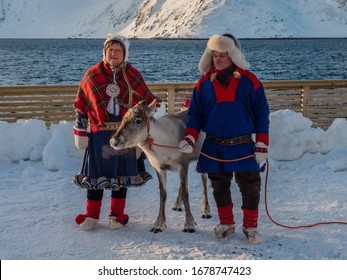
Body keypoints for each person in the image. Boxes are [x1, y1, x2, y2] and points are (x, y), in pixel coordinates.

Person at [178, 33, 270, 243]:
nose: (217, 59)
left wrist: (262, 143)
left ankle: (251, 227)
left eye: (222, 55)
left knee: (250, 186)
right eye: (214, 55)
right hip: (214, 145)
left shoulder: (250, 81)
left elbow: (261, 113)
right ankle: (227, 223)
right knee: (219, 186)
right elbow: (195, 115)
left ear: (233, 55)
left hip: (243, 144)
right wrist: (190, 137)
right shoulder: (203, 84)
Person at [72, 33, 159, 231]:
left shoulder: (133, 75)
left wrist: (142, 139)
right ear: (105, 52)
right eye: (110, 50)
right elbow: (81, 105)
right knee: (95, 177)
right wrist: (80, 131)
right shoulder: (92, 75)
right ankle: (92, 217)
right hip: (99, 134)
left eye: (118, 51)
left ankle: (116, 217)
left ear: (124, 54)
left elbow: (145, 109)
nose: (114, 54)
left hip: (125, 135)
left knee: (121, 177)